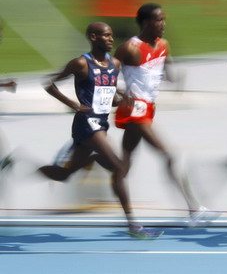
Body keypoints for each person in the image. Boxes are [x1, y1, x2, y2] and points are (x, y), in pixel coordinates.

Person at [38, 22, 161, 238]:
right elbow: (49, 84)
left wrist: (123, 99)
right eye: (106, 35)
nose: (111, 39)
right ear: (93, 37)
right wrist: (73, 104)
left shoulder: (114, 64)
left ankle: (27, 166)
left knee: (63, 174)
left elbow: (110, 98)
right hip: (86, 123)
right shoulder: (80, 64)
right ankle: (134, 226)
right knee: (119, 169)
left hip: (101, 123)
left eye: (112, 35)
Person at [114, 3, 216, 226]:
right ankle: (193, 209)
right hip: (135, 108)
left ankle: (93, 159)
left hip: (149, 108)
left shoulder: (163, 45)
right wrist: (120, 93)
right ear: (147, 22)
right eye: (159, 20)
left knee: (124, 165)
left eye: (164, 20)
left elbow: (166, 74)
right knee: (168, 155)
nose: (163, 24)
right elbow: (106, 75)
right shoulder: (129, 48)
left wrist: (177, 78)